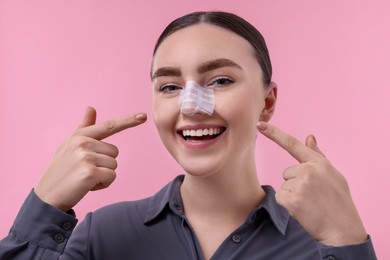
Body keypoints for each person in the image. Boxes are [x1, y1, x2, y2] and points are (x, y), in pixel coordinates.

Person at [0, 11, 376, 259]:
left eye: (221, 80)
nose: (192, 106)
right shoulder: (103, 235)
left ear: (267, 101)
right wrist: (44, 204)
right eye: (169, 86)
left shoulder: (323, 241)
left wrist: (348, 241)